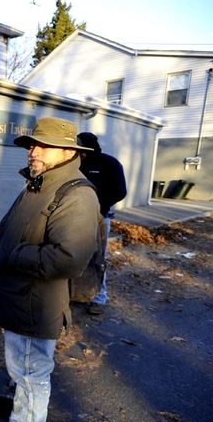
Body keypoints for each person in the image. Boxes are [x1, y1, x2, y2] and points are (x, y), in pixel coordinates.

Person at [0, 117, 101, 422]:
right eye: (33, 144)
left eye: (45, 146)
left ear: (68, 153)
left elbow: (68, 257)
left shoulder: (76, 194)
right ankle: (20, 408)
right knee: (22, 372)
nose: (34, 150)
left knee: (32, 376)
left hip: (35, 307)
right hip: (20, 299)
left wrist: (15, 255)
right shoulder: (40, 183)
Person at [77, 131, 127, 315]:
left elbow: (120, 191)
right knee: (74, 257)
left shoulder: (109, 163)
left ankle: (100, 297)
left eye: (82, 149)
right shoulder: (76, 164)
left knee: (97, 259)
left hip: (100, 219)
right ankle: (77, 293)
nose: (80, 153)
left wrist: (100, 206)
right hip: (76, 218)